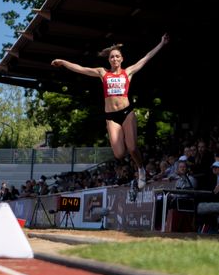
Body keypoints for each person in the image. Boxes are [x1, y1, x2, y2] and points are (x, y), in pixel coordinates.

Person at [52, 33, 170, 189]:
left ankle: (141, 169)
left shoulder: (127, 72)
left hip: (127, 112)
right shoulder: (103, 73)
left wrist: (161, 44)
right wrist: (63, 62)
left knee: (133, 147)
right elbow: (81, 69)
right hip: (111, 116)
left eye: (117, 57)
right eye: (112, 57)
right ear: (109, 60)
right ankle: (129, 165)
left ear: (122, 59)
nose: (114, 59)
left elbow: (146, 58)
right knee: (119, 154)